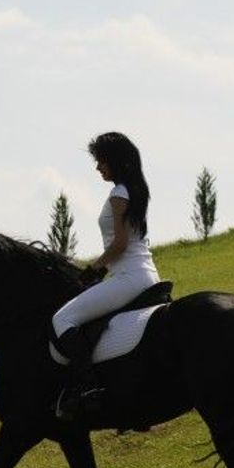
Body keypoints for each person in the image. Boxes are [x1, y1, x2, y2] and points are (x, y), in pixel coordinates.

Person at [52, 132, 159, 420]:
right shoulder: (134, 190)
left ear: (114, 160)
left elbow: (120, 244)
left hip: (129, 277)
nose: (97, 167)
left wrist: (94, 269)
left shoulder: (118, 194)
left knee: (61, 319)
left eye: (100, 160)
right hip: (145, 274)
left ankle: (88, 388)